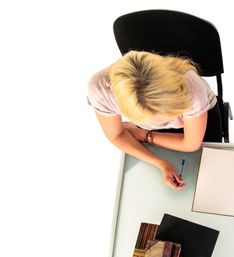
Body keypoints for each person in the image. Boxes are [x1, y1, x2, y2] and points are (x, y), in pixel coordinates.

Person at [87, 50, 217, 190]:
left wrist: (145, 135)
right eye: (160, 121)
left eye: (172, 114)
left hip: (200, 119)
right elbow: (116, 135)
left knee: (209, 174)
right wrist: (160, 163)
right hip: (147, 131)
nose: (167, 123)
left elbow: (191, 144)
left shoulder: (192, 90)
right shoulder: (100, 90)